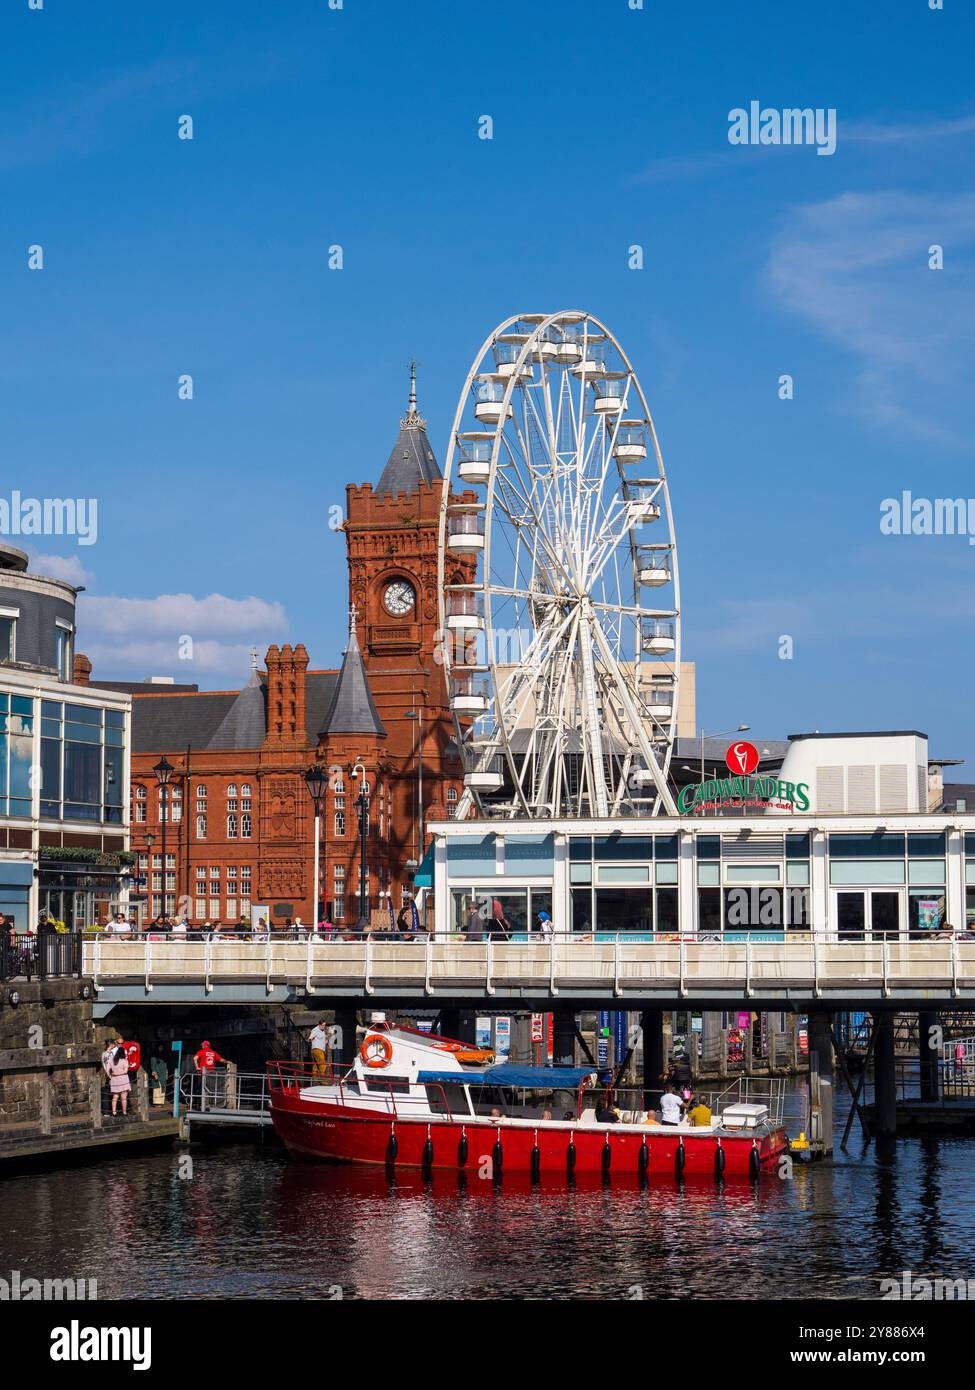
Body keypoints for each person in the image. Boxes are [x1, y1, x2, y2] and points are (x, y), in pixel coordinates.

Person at [194, 1039, 228, 1106]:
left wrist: (197, 1067)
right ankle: (209, 1103)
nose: (202, 1046)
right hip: (211, 1073)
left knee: (202, 1088)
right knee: (210, 1088)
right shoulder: (213, 1052)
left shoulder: (202, 1051)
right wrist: (228, 1062)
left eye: (203, 1045)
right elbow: (221, 1060)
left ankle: (203, 1104)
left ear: (205, 1045)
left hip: (202, 1073)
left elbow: (195, 1058)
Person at [108, 1046, 131, 1117]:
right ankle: (124, 1112)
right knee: (124, 1098)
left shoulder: (112, 1060)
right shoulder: (124, 1060)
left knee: (115, 1097)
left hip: (115, 1079)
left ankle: (114, 1112)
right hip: (123, 1078)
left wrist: (111, 1076)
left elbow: (109, 1069)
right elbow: (126, 1071)